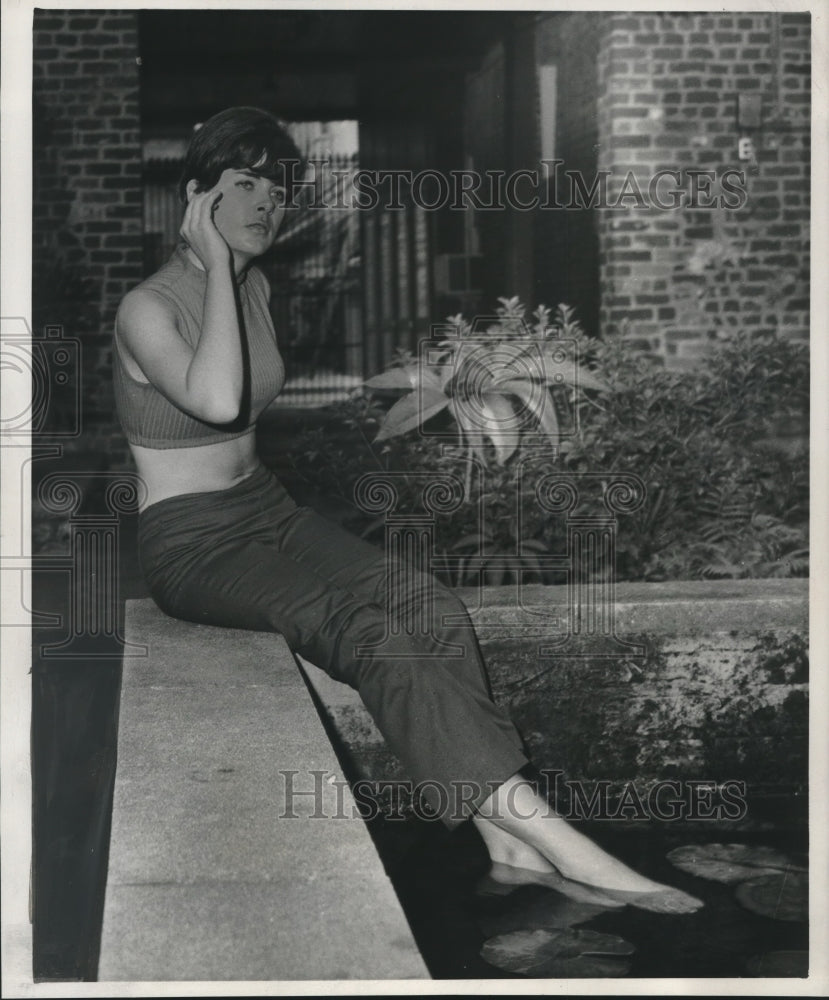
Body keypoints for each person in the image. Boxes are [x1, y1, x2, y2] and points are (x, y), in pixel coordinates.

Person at [113, 106, 702, 915]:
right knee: (368, 635)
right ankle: (570, 846)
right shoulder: (148, 307)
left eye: (277, 189)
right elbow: (216, 400)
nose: (264, 204)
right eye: (240, 184)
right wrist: (214, 263)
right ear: (194, 198)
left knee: (430, 607)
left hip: (266, 510)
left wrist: (229, 270)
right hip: (192, 544)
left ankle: (500, 834)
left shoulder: (254, 286)